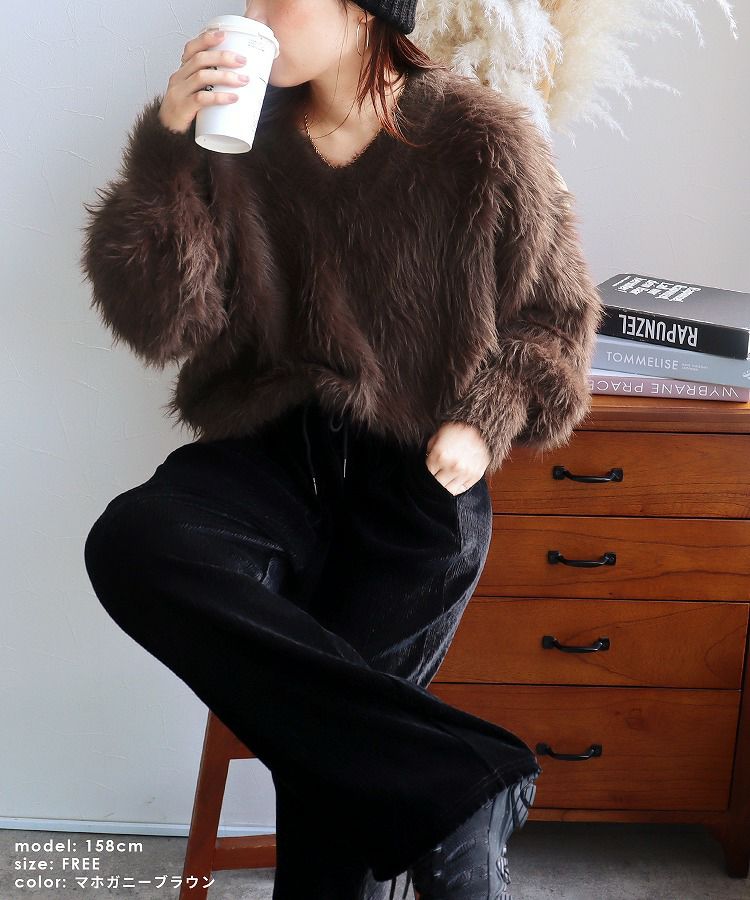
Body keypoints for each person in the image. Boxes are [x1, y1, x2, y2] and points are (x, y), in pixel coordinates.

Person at [80, 0, 604, 897]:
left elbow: (558, 325)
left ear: (366, 10)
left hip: (414, 481)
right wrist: (169, 147)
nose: (253, 15)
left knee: (330, 801)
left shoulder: (483, 142)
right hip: (267, 459)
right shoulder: (234, 135)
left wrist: (483, 419)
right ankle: (466, 786)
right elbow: (163, 324)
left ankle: (444, 791)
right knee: (134, 542)